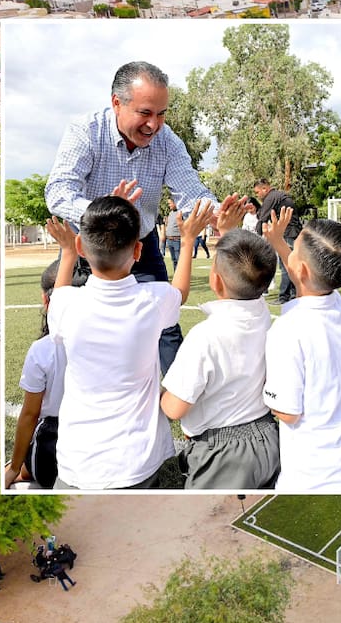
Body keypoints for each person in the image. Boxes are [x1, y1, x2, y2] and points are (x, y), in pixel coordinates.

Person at [45, 61, 230, 376]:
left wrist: (217, 212)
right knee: (64, 330)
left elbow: (189, 190)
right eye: (145, 113)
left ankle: (175, 392)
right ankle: (59, 396)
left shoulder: (167, 141)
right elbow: (59, 192)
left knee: (165, 326)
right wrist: (106, 213)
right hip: (90, 246)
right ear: (117, 103)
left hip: (140, 247)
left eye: (161, 114)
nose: (154, 125)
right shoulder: (86, 131)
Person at [44, 197, 215, 489]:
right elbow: (181, 293)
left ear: (82, 247)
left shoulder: (65, 304)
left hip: (78, 461)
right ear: (138, 250)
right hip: (137, 461)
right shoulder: (155, 299)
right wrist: (187, 242)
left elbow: (58, 296)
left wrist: (67, 253)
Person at [261, 208, 341, 492]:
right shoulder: (334, 299)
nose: (290, 247)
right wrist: (278, 241)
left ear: (301, 269)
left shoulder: (288, 330)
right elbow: (302, 273)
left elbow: (287, 412)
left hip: (317, 478)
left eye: (294, 245)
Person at [160, 224, 282, 490]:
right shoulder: (261, 312)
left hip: (223, 453)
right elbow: (248, 272)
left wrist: (160, 395)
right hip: (268, 437)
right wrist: (229, 229)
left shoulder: (205, 336)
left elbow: (174, 408)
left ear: (215, 281)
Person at [5, 259, 89, 490]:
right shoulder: (111, 339)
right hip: (103, 442)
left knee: (19, 474)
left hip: (55, 446)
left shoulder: (43, 350)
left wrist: (14, 468)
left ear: (45, 300)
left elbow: (30, 415)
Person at [253, 177, 303, 304]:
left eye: (257, 192)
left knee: (286, 265)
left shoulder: (271, 197)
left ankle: (284, 296)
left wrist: (256, 238)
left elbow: (262, 218)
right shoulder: (278, 196)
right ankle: (292, 294)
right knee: (289, 264)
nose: (257, 195)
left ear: (265, 189)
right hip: (292, 232)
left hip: (288, 233)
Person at [162, 199, 181, 269]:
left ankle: (180, 277)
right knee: (174, 260)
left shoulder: (180, 212)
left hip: (177, 240)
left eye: (170, 203)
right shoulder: (170, 213)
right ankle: (176, 276)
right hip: (169, 240)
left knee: (179, 260)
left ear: (175, 203)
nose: (169, 205)